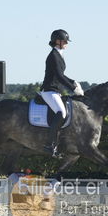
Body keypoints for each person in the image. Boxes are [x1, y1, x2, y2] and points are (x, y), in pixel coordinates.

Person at [40, 29, 84, 158]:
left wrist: (74, 82)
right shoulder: (53, 55)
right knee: (62, 113)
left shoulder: (58, 54)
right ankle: (50, 144)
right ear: (57, 41)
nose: (66, 43)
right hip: (49, 90)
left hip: (55, 91)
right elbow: (59, 76)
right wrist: (72, 88)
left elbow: (62, 75)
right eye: (64, 41)